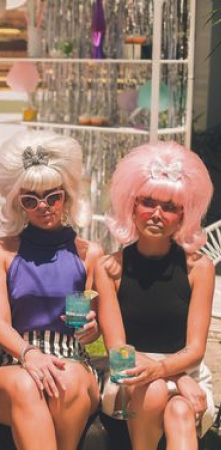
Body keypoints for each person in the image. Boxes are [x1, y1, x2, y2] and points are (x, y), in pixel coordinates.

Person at [0, 130, 101, 450]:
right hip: (12, 360)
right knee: (24, 383)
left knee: (68, 378)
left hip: (71, 360)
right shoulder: (0, 251)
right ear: (19, 202)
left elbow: (93, 322)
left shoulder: (89, 254)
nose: (43, 206)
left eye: (53, 197)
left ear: (67, 196)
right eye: (31, 199)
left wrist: (92, 329)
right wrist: (29, 354)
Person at [96, 141, 215, 449]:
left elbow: (195, 350)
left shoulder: (198, 268)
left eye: (170, 207)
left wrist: (173, 375)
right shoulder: (110, 268)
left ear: (183, 215)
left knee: (178, 409)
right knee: (158, 391)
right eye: (148, 202)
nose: (156, 214)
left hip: (186, 381)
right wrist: (170, 378)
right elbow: (118, 350)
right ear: (131, 205)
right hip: (129, 383)